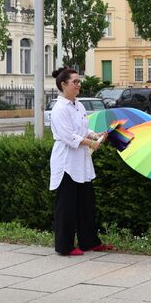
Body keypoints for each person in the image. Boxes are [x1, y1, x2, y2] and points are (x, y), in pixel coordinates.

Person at [49, 67, 112, 256]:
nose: (78, 85)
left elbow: (83, 129)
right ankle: (64, 246)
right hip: (67, 161)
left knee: (86, 204)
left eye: (79, 81)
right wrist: (91, 143)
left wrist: (96, 135)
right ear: (63, 84)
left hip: (82, 161)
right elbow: (68, 136)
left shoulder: (79, 106)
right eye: (74, 82)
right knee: (66, 206)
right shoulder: (59, 109)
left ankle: (89, 241)